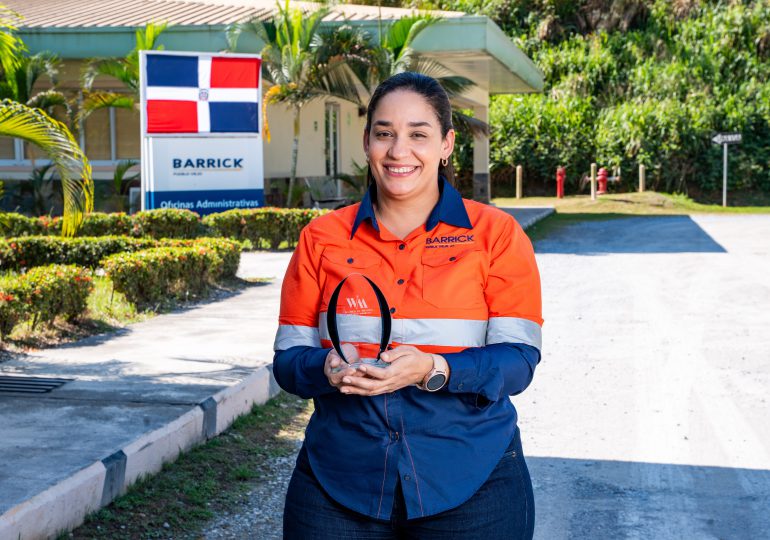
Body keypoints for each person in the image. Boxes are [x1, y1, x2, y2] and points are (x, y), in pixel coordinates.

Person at [273, 72, 542, 539]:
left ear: (446, 144)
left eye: (419, 134)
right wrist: (328, 369)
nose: (399, 151)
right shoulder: (320, 240)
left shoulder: (496, 236)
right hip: (339, 484)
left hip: (472, 481)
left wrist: (432, 369)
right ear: (367, 142)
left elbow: (518, 362)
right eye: (385, 134)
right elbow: (289, 362)